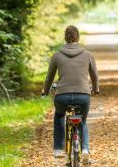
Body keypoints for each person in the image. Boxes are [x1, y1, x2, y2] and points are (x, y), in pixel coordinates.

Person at [42, 25, 100, 162]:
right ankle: (85, 149)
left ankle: (58, 149)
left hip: (62, 96)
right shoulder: (87, 55)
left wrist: (45, 91)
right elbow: (95, 77)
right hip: (83, 96)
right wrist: (96, 89)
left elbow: (49, 78)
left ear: (65, 37)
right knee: (83, 121)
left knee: (59, 116)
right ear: (78, 37)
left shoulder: (57, 55)